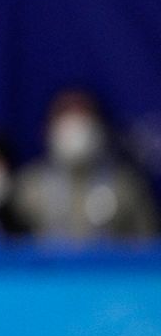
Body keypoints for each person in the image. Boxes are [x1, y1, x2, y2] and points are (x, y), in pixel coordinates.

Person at [13, 88, 156, 240]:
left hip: (111, 264)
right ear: (47, 128)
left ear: (100, 126)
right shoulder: (26, 188)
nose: (75, 125)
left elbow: (149, 248)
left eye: (83, 114)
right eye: (65, 113)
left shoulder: (127, 186)